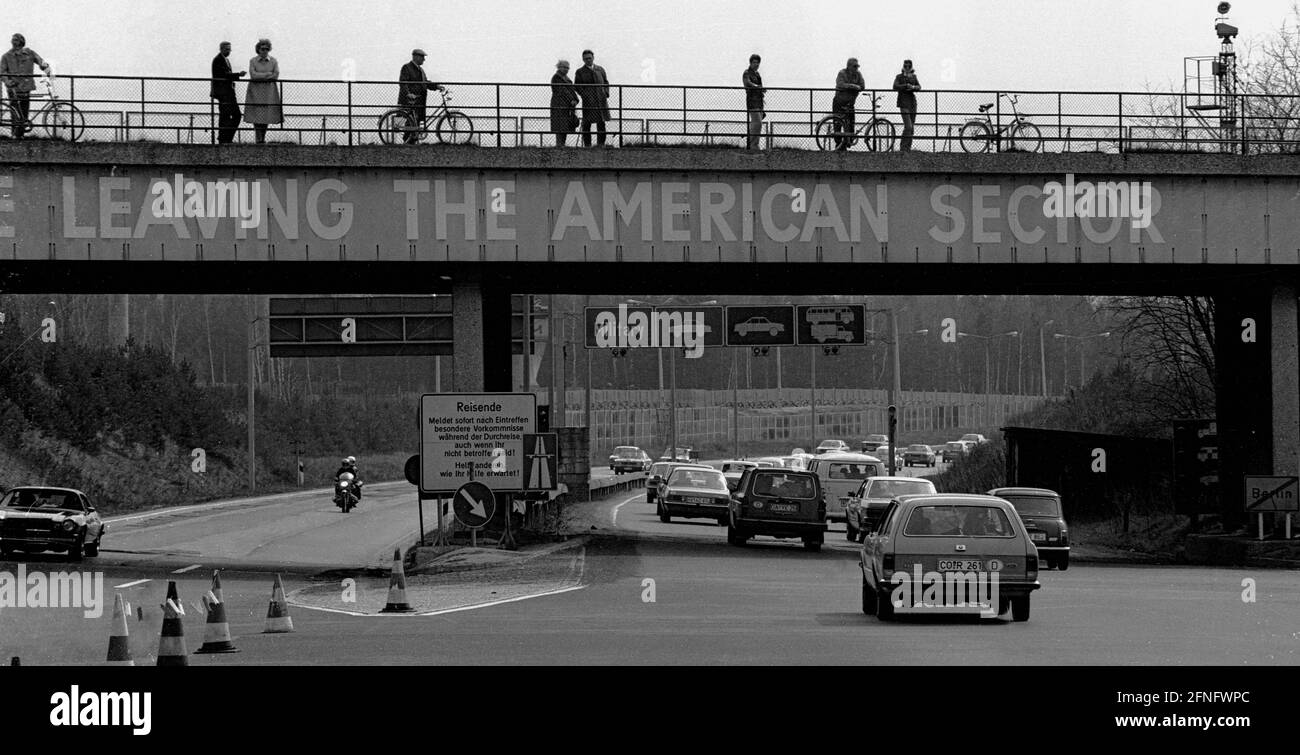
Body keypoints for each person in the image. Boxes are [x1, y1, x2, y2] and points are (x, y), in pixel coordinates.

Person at [0, 34, 51, 139]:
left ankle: (20, 134)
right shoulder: (6, 56)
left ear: (21, 42)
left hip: (26, 86)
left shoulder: (29, 53)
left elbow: (40, 61)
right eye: (13, 40)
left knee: (24, 110)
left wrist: (48, 70)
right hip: (13, 87)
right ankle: (16, 134)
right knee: (15, 110)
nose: (14, 42)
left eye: (16, 40)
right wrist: (7, 81)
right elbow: (2, 71)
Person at [399, 48, 444, 144]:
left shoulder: (421, 70)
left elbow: (425, 82)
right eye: (422, 57)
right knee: (411, 119)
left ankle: (413, 140)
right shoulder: (406, 67)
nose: (424, 59)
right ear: (415, 57)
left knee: (417, 119)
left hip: (420, 99)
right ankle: (408, 141)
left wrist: (436, 86)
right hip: (411, 99)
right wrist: (408, 94)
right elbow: (403, 82)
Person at [244, 39, 282, 144]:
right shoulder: (253, 61)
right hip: (256, 91)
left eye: (266, 49)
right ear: (258, 49)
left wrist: (261, 76)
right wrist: (267, 74)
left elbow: (276, 75)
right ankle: (258, 138)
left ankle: (262, 138)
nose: (264, 51)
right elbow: (253, 75)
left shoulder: (274, 61)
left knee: (266, 115)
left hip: (269, 92)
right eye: (262, 49)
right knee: (257, 115)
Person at [210, 41, 246, 144]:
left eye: (229, 49)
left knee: (229, 115)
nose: (228, 51)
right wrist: (238, 75)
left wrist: (236, 76)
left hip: (228, 92)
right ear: (221, 49)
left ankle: (225, 138)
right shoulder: (218, 60)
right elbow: (224, 74)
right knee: (229, 115)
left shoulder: (225, 60)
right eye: (226, 49)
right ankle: (224, 138)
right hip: (224, 93)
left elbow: (226, 74)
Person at [574, 49, 610, 147]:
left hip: (601, 100)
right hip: (589, 102)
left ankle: (601, 145)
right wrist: (585, 95)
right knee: (587, 124)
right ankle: (587, 145)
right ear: (583, 59)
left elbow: (606, 82)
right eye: (586, 59)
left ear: (593, 58)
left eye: (589, 58)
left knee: (601, 123)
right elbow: (577, 86)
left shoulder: (600, 69)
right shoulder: (580, 72)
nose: (588, 60)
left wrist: (605, 93)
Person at [832, 57, 864, 150]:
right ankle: (839, 144)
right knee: (838, 122)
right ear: (848, 66)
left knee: (851, 122)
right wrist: (853, 86)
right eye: (854, 66)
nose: (856, 68)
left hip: (850, 102)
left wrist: (855, 87)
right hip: (839, 101)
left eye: (857, 66)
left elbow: (862, 85)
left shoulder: (858, 74)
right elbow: (840, 84)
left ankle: (848, 142)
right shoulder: (842, 73)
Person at [893, 59, 921, 151]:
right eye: (906, 66)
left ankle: (907, 147)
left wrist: (912, 87)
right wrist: (906, 86)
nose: (907, 67)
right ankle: (903, 148)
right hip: (903, 103)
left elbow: (919, 87)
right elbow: (895, 86)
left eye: (909, 66)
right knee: (908, 126)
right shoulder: (899, 77)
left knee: (911, 127)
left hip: (912, 103)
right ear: (903, 67)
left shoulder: (914, 77)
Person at [550, 59, 578, 146]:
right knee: (559, 126)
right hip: (559, 104)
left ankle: (562, 145)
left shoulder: (566, 78)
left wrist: (576, 99)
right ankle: (560, 145)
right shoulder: (556, 77)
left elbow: (571, 90)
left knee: (565, 126)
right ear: (559, 67)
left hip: (566, 105)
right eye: (564, 67)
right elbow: (563, 91)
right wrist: (572, 99)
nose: (566, 69)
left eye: (567, 68)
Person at [742, 54, 764, 150]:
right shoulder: (746, 73)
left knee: (756, 124)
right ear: (750, 63)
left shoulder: (757, 74)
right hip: (752, 101)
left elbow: (760, 86)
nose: (756, 64)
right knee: (757, 123)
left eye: (757, 62)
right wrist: (757, 87)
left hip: (759, 102)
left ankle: (752, 144)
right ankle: (753, 145)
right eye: (754, 62)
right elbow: (747, 83)